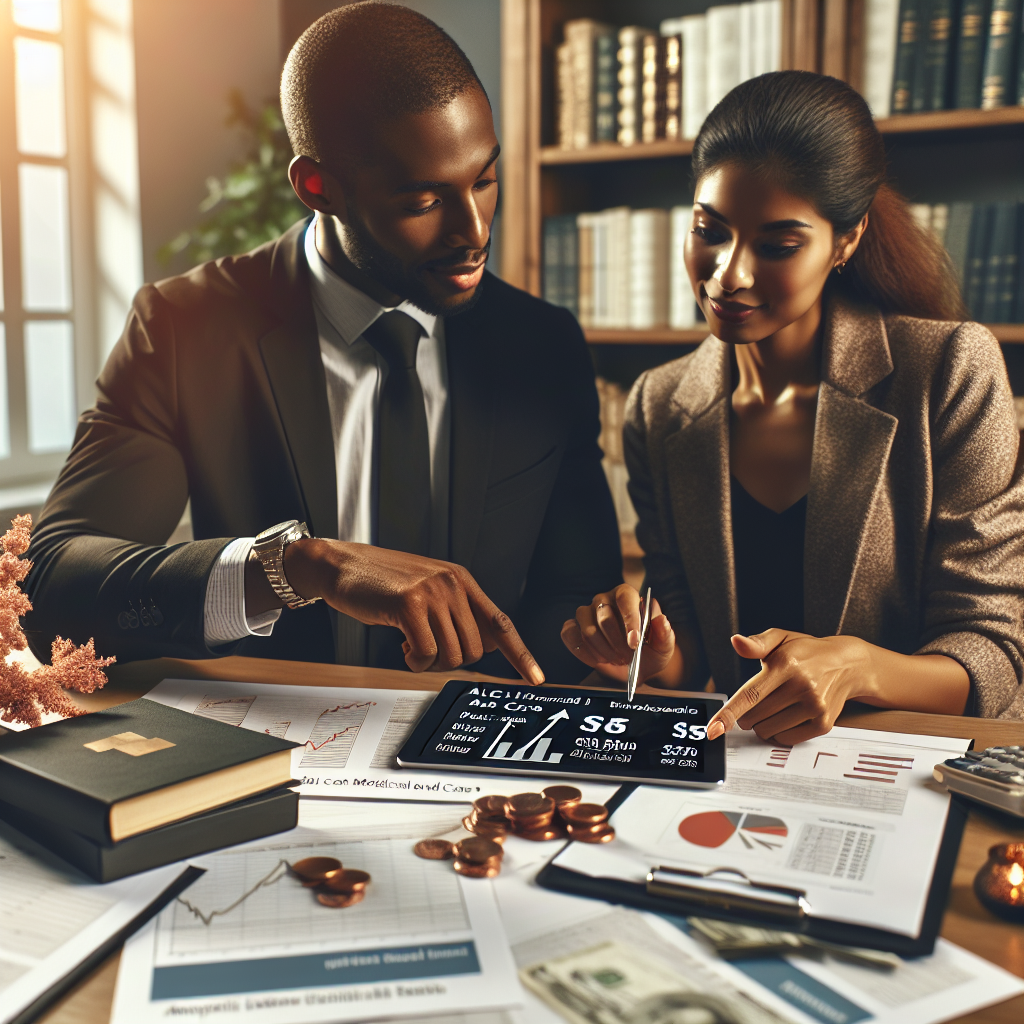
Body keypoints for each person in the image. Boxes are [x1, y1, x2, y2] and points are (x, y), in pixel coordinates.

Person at [24, 2, 621, 682]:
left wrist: (618, 637)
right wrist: (296, 567)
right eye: (423, 201)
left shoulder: (544, 346)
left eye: (484, 180)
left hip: (484, 739)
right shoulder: (184, 329)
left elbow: (580, 602)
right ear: (318, 187)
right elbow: (49, 592)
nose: (475, 231)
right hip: (267, 744)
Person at [563, 71, 1024, 740]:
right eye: (709, 230)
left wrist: (858, 668)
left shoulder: (949, 369)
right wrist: (651, 654)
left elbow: (994, 651)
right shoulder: (659, 405)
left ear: (846, 240)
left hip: (914, 764)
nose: (729, 275)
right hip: (749, 767)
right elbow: (695, 648)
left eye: (778, 246)